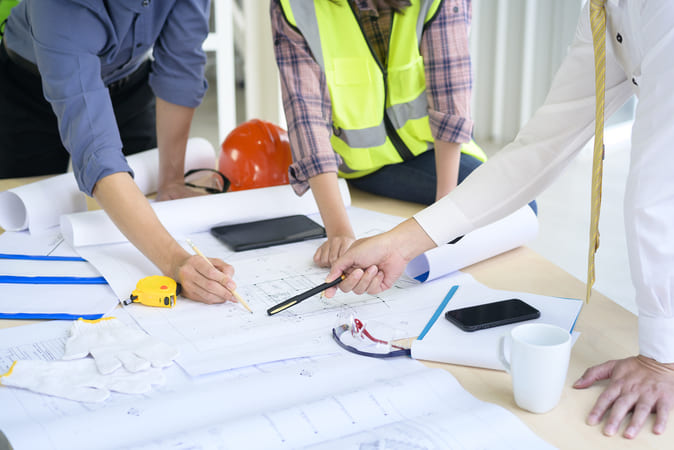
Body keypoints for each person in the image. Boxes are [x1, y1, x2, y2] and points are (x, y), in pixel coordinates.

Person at [324, 0, 674, 439]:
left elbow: (662, 190)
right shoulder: (611, 6)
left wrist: (659, 362)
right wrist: (403, 242)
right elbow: (542, 147)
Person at [0, 0, 236, 304]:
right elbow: (97, 152)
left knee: (147, 206)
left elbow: (180, 70)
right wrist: (175, 261)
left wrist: (172, 181)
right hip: (28, 90)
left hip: (128, 83)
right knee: (25, 231)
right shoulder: (58, 7)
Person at [272, 0, 535, 268]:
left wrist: (444, 214)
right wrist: (339, 231)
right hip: (364, 165)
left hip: (432, 150)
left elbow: (450, 95)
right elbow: (306, 116)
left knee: (520, 204)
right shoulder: (295, 6)